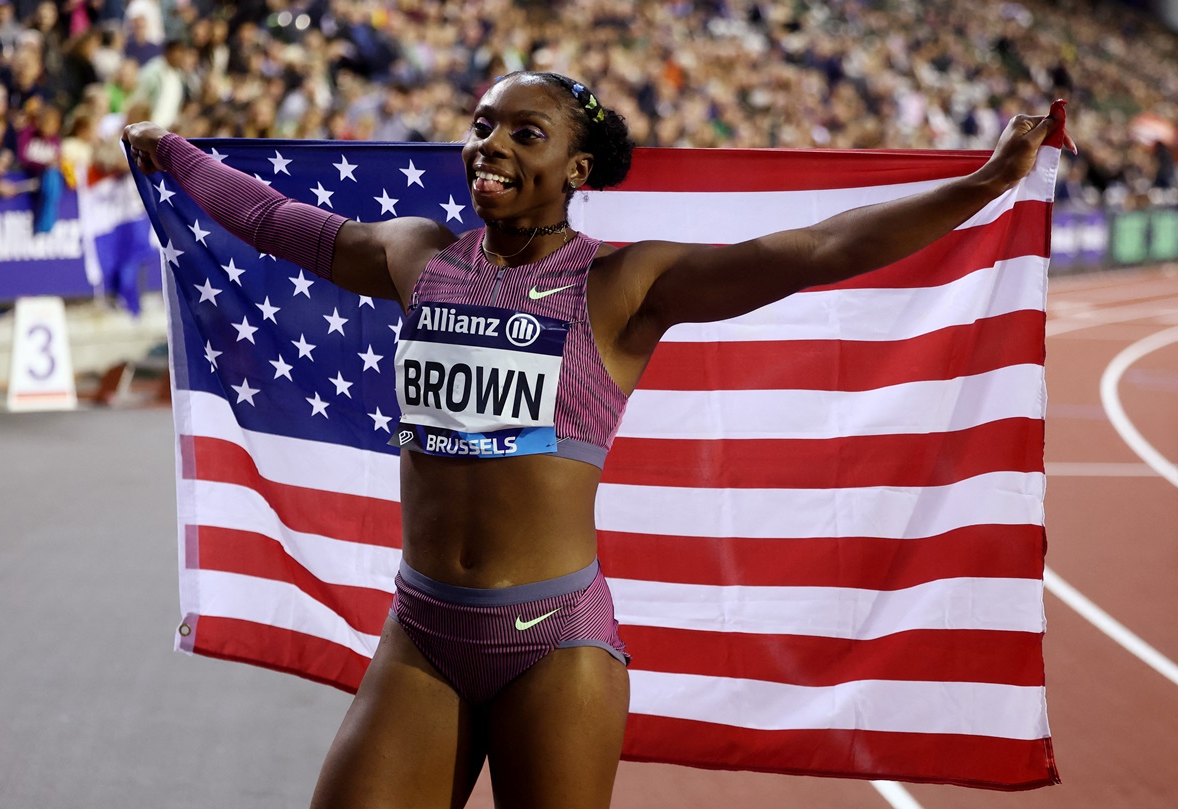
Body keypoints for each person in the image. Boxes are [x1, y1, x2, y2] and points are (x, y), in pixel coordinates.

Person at [123, 70, 1074, 809]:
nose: (489, 146)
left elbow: (816, 251)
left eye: (523, 135)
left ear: (577, 171)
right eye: (483, 124)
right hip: (421, 630)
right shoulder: (416, 255)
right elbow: (276, 220)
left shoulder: (623, 287)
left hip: (556, 645)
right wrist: (172, 153)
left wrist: (986, 183)